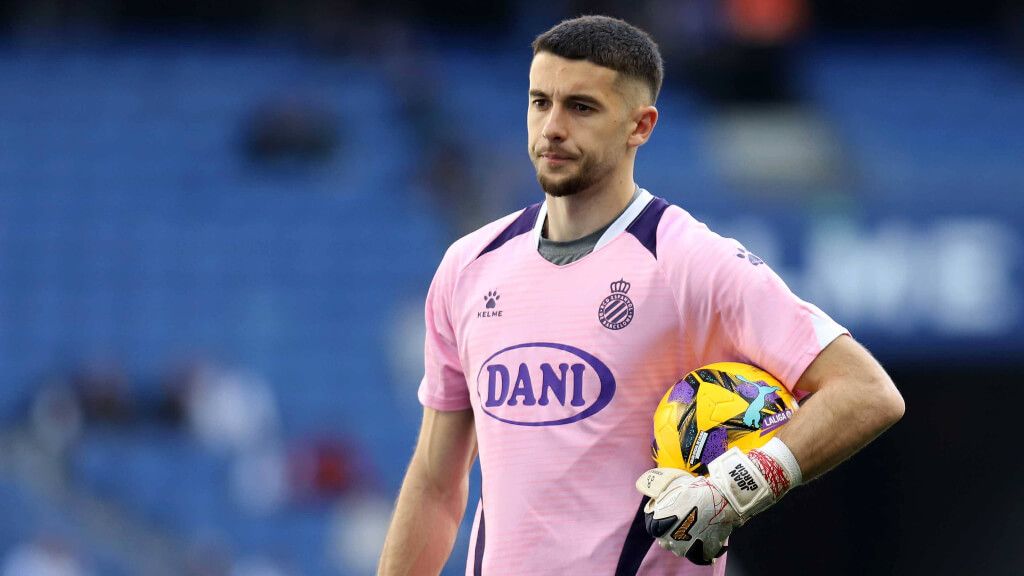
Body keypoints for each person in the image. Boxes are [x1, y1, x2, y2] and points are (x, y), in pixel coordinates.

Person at [378, 15, 904, 576]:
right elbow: (437, 485)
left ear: (641, 126)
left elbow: (867, 393)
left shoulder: (690, 262)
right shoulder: (469, 266)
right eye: (539, 102)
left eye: (581, 107)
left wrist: (737, 488)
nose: (552, 127)